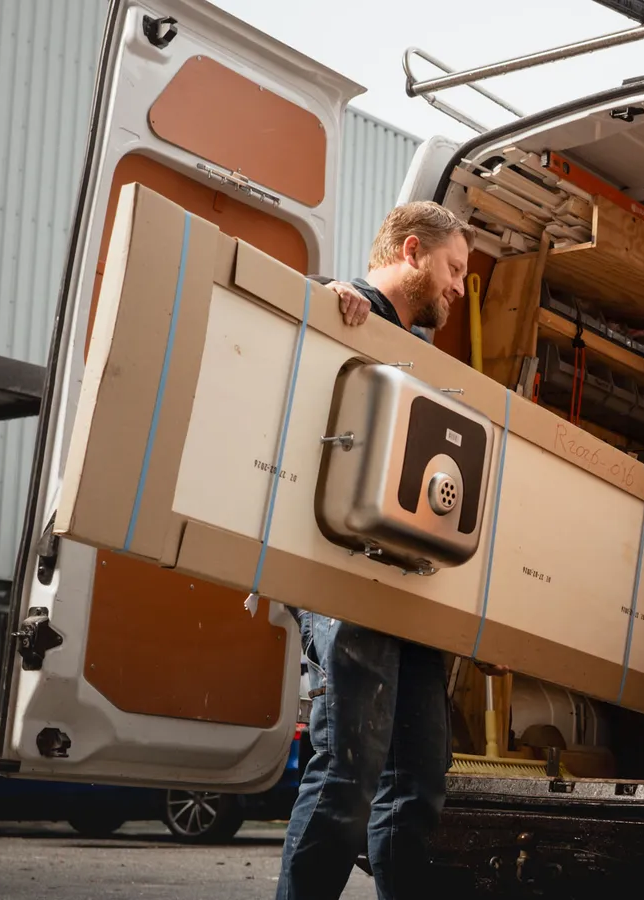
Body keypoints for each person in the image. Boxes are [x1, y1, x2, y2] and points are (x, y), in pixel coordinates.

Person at [277, 201, 487, 900]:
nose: (459, 286)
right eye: (453, 268)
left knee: (418, 778)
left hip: (408, 583)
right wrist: (324, 298)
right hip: (346, 574)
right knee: (349, 770)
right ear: (411, 251)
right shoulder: (349, 308)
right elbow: (284, 346)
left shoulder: (417, 356)